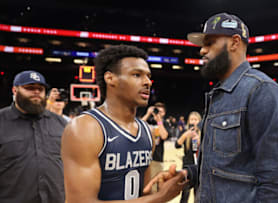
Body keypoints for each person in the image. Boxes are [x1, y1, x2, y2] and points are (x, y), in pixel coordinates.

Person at [185, 12, 278, 202]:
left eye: (209, 43)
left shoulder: (262, 91)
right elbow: (226, 166)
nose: (202, 50)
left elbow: (277, 184)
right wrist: (189, 175)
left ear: (235, 43)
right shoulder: (218, 94)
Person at [61, 45, 186, 202]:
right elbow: (80, 201)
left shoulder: (146, 131)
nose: (147, 82)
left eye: (148, 76)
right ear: (110, 78)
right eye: (136, 75)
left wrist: (160, 188)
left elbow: (144, 194)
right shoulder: (85, 128)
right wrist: (160, 197)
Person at [0, 70, 67, 203]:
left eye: (40, 89)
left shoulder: (60, 123)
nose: (36, 92)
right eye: (29, 88)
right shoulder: (2, 120)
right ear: (15, 90)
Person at [175, 111, 201, 203]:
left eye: (195, 119)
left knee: (198, 194)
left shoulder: (203, 133)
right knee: (185, 194)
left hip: (199, 167)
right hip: (187, 167)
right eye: (191, 119)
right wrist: (185, 135)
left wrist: (199, 140)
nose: (193, 121)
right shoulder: (185, 132)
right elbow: (177, 145)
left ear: (199, 121)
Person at [141, 102, 170, 185]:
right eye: (156, 111)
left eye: (160, 112)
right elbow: (138, 126)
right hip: (144, 158)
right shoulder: (148, 121)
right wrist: (148, 113)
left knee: (155, 186)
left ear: (164, 113)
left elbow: (164, 136)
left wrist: (159, 121)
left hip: (157, 159)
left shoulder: (164, 123)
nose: (158, 113)